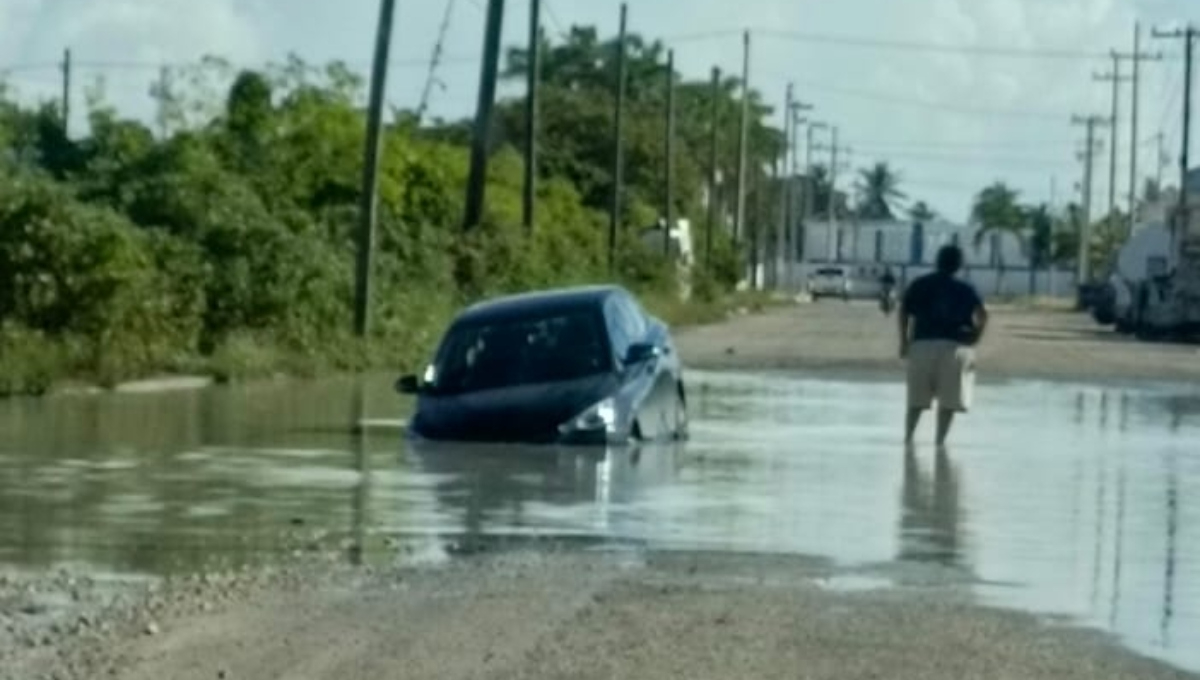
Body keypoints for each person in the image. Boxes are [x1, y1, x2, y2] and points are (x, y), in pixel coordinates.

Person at [898, 245, 988, 446]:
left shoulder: (920, 284)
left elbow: (904, 311)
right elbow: (983, 314)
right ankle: (940, 442)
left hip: (922, 344)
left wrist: (904, 341)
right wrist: (976, 337)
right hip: (954, 346)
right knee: (948, 402)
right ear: (959, 265)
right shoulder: (966, 289)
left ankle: (908, 439)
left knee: (916, 400)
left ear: (937, 261)